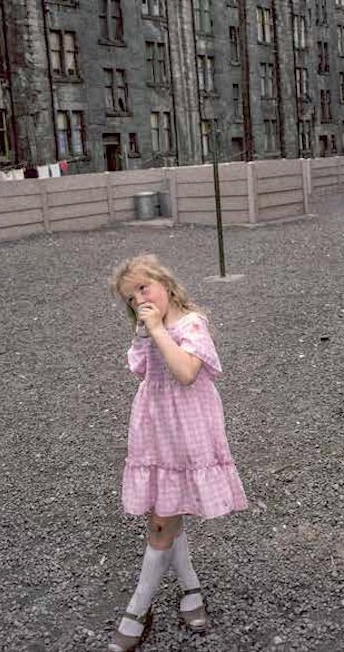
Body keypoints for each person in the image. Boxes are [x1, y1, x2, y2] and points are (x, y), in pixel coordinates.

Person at [108, 254, 248, 651]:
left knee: (160, 521)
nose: (140, 300)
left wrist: (157, 330)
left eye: (143, 288)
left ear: (165, 284)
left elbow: (186, 373)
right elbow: (139, 369)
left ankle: (138, 608)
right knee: (166, 512)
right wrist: (143, 333)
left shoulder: (191, 324)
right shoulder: (148, 327)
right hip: (155, 429)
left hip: (188, 429)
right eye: (131, 297)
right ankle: (191, 589)